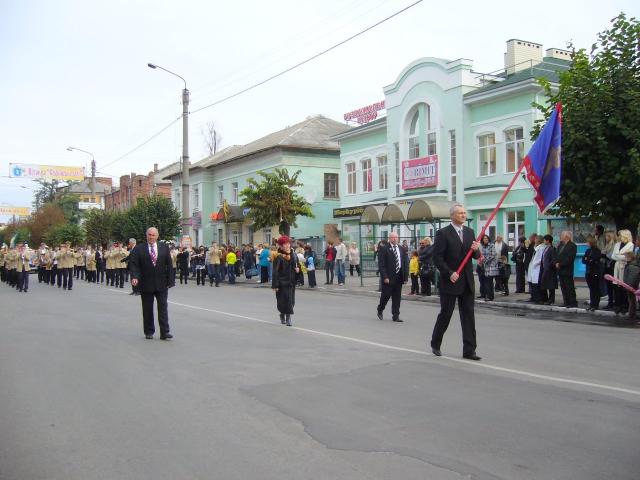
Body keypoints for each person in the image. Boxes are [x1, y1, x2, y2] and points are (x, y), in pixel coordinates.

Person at [430, 203, 481, 360]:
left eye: (465, 213)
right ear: (452, 216)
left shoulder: (470, 232)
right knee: (446, 314)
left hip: (466, 281)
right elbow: (437, 258)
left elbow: (476, 256)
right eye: (460, 213)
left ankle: (469, 350)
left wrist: (477, 248)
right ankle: (435, 343)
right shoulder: (443, 233)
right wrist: (449, 272)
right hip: (451, 281)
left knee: (468, 316)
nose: (463, 215)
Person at [129, 227, 175, 340]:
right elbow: (134, 264)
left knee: (163, 308)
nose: (151, 237)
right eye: (149, 234)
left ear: (157, 236)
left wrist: (170, 281)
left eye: (153, 235)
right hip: (146, 283)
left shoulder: (164, 247)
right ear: (146, 235)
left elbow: (169, 264)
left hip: (162, 283)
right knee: (147, 308)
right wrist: (135, 277)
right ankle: (149, 331)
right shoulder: (139, 249)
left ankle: (165, 332)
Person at [376, 232, 409, 322]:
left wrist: (405, 277)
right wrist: (385, 277)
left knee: (397, 297)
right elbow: (381, 265)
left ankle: (395, 315)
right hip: (389, 277)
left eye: (396, 237)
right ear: (389, 238)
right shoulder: (384, 249)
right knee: (386, 295)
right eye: (393, 237)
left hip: (399, 277)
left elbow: (405, 263)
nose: (395, 239)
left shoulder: (401, 249)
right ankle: (380, 309)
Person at [272, 235, 300, 326]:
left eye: (288, 243)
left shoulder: (294, 255)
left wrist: (298, 269)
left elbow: (298, 265)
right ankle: (287, 318)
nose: (287, 245)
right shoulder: (278, 256)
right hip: (282, 283)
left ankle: (284, 314)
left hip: (291, 282)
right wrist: (275, 285)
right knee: (284, 301)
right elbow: (275, 271)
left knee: (291, 301)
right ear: (280, 246)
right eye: (285, 244)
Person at [611, 229, 634, 314]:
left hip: (624, 267)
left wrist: (619, 256)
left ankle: (625, 306)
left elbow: (627, 257)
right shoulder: (617, 244)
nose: (619, 237)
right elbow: (613, 256)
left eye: (620, 235)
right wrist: (620, 256)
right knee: (617, 286)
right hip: (617, 266)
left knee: (624, 286)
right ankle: (618, 305)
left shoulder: (630, 245)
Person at [555, 231, 578, 308]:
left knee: (569, 287)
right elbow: (557, 255)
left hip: (567, 269)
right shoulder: (560, 245)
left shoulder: (572, 246)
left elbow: (570, 259)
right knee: (563, 287)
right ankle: (566, 302)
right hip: (560, 270)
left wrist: (560, 264)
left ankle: (573, 302)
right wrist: (556, 263)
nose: (560, 237)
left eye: (561, 235)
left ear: (566, 237)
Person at [582, 235, 602, 311]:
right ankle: (591, 304)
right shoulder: (588, 251)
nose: (587, 243)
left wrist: (589, 259)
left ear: (591, 243)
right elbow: (583, 260)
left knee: (595, 289)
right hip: (588, 272)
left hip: (595, 272)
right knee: (591, 289)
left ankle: (595, 304)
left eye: (587, 242)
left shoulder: (597, 251)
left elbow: (595, 261)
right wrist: (589, 260)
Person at [477, 235, 498, 301]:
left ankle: (490, 296)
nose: (485, 239)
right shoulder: (483, 246)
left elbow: (493, 255)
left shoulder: (491, 245)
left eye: (486, 238)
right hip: (484, 266)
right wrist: (480, 261)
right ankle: (486, 295)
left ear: (488, 239)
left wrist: (484, 260)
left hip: (491, 266)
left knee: (489, 282)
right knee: (485, 281)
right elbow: (481, 255)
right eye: (484, 238)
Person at [539, 235, 557, 305]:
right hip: (544, 269)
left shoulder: (552, 249)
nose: (544, 241)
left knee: (551, 286)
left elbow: (553, 259)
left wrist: (549, 266)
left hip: (549, 270)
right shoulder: (546, 248)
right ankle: (545, 299)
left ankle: (551, 300)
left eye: (545, 240)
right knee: (544, 284)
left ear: (548, 241)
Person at [527, 236, 545, 303]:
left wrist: (535, 263)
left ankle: (539, 299)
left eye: (536, 239)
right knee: (532, 283)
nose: (535, 240)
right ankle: (534, 298)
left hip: (537, 268)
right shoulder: (536, 247)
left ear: (539, 240)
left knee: (536, 285)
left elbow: (540, 259)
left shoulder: (541, 248)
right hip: (533, 268)